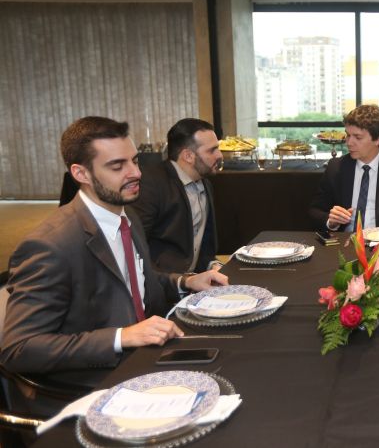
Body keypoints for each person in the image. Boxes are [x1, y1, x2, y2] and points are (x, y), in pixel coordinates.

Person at [0, 117, 228, 383]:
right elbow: (19, 349)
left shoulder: (126, 215)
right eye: (117, 166)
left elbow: (136, 284)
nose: (136, 173)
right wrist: (123, 336)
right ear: (81, 174)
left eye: (135, 161)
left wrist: (186, 281)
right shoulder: (50, 245)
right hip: (98, 381)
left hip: (147, 354)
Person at [129, 118, 224, 274]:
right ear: (188, 156)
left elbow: (203, 244)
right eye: (211, 150)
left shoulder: (205, 183)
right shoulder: (150, 184)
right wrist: (180, 283)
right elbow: (135, 249)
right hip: (164, 289)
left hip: (196, 281)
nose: (219, 155)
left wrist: (212, 265)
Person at [309, 104, 379, 232]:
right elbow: (315, 211)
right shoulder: (336, 167)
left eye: (357, 137)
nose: (349, 142)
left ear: (378, 139)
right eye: (348, 135)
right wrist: (331, 222)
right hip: (344, 245)